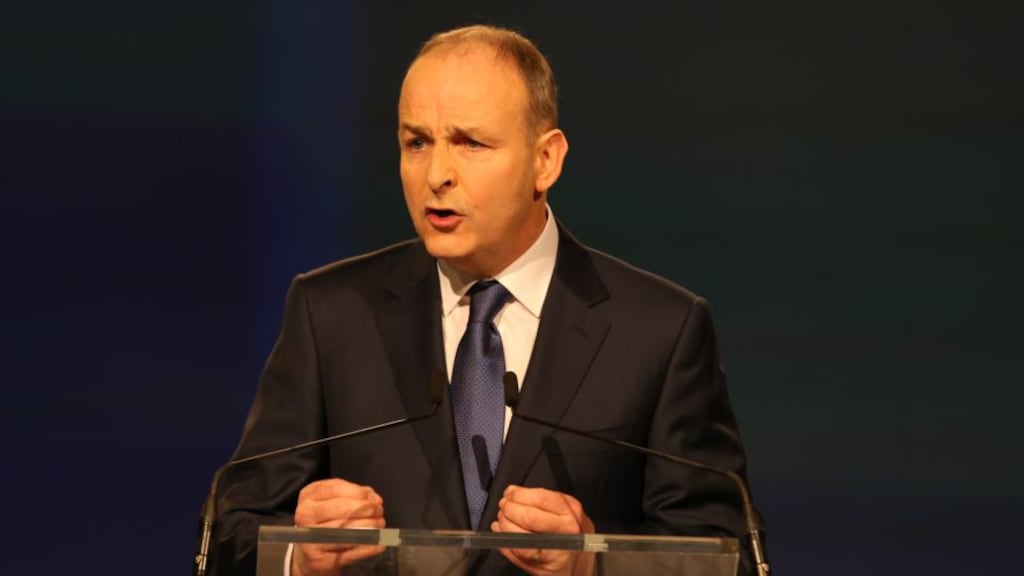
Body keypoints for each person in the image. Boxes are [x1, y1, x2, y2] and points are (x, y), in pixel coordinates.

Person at [214, 24, 759, 576]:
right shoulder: (331, 312)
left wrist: (592, 565)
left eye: (470, 144)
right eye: (417, 142)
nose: (436, 175)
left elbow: (726, 556)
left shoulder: (659, 330)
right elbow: (228, 531)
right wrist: (296, 558)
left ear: (545, 161)